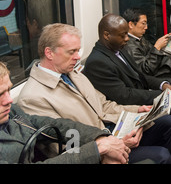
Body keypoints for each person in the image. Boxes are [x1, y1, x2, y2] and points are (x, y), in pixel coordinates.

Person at [16, 23, 171, 164]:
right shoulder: (32, 98)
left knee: (169, 123)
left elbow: (104, 105)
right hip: (99, 153)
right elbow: (60, 149)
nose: (77, 57)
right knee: (161, 156)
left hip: (112, 131)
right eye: (71, 52)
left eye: (78, 51)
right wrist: (114, 145)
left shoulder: (75, 75)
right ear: (49, 53)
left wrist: (137, 110)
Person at [83, 14, 171, 163]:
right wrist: (161, 95)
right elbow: (124, 96)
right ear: (107, 35)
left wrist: (163, 85)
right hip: (128, 106)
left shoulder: (118, 49)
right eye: (122, 36)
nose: (127, 39)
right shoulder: (97, 62)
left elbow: (140, 76)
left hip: (139, 94)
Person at [1, 62, 131, 164]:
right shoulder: (31, 97)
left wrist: (101, 139)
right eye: (1, 94)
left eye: (9, 90)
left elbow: (55, 125)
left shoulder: (12, 112)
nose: (9, 100)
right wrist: (98, 150)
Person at [123, 7, 171, 105]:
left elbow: (155, 54)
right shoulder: (129, 46)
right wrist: (157, 47)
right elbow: (146, 70)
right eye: (143, 23)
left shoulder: (140, 39)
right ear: (131, 24)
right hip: (156, 76)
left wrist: (168, 43)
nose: (146, 27)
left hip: (162, 69)